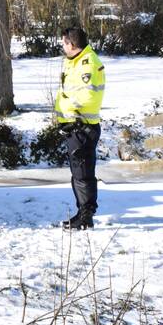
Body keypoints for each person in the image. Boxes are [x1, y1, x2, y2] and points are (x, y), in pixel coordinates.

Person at [54, 27, 106, 230]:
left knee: (83, 173)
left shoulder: (88, 63)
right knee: (78, 172)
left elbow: (88, 97)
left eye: (64, 43)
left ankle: (86, 215)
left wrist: (68, 107)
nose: (62, 47)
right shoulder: (74, 62)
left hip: (83, 126)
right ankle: (82, 213)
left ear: (72, 44)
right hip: (74, 125)